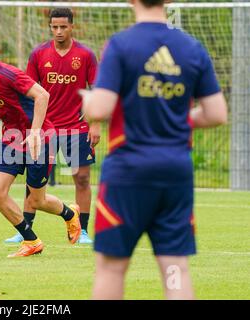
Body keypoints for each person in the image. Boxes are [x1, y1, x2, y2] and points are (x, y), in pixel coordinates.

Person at [82, 0, 228, 299]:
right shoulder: (191, 47)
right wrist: (177, 119)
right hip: (175, 171)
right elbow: (216, 114)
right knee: (175, 267)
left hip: (129, 171)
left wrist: (87, 99)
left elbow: (100, 108)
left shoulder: (121, 45)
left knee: (112, 267)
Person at [0, 32, 81, 258]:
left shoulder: (6, 74)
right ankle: (31, 241)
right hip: (11, 138)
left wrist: (34, 133)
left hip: (40, 138)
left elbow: (42, 95)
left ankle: (70, 214)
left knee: (37, 200)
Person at [4, 8, 99, 245]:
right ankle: (25, 230)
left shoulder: (86, 55)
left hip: (76, 128)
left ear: (71, 27)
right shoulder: (39, 54)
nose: (58, 31)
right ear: (50, 27)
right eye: (54, 27)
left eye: (63, 27)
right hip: (45, 129)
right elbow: (28, 91)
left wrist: (95, 124)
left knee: (82, 179)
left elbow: (96, 91)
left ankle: (83, 230)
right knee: (33, 179)